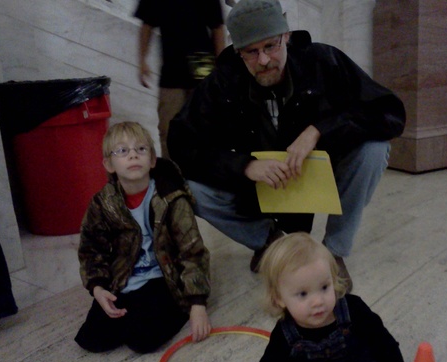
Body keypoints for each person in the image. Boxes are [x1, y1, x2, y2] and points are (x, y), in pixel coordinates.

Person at [167, 0, 406, 290]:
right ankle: (268, 241)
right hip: (258, 191)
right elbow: (181, 144)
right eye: (251, 52)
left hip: (320, 179)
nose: (264, 60)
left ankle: (333, 252)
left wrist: (319, 130)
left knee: (374, 149)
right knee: (187, 190)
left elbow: (390, 113)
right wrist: (244, 165)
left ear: (287, 35)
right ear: (238, 52)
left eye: (271, 46)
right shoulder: (223, 82)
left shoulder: (323, 61)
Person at [75, 122, 211, 354]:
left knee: (142, 341)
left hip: (163, 279)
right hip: (123, 279)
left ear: (152, 160)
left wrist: (196, 304)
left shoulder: (172, 199)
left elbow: (192, 251)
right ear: (109, 164)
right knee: (91, 340)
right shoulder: (102, 203)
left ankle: (173, 309)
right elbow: (91, 250)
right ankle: (134, 315)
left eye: (141, 149)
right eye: (122, 151)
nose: (132, 156)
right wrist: (98, 287)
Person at [252, 232, 408, 362]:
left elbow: (384, 343)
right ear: (279, 298)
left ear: (333, 279)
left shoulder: (353, 309)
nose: (318, 301)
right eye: (303, 294)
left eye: (325, 287)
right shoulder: (284, 334)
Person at [134, 0, 226, 158]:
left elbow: (217, 27)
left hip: (202, 62)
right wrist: (142, 60)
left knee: (205, 126)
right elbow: (147, 24)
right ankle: (173, 176)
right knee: (168, 128)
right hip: (172, 66)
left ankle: (205, 175)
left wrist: (223, 66)